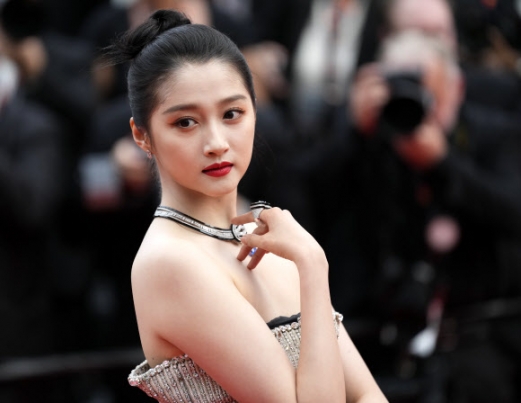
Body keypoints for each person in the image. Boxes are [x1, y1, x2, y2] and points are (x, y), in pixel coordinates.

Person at [102, 9, 388, 402]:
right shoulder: (170, 262)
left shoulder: (275, 243)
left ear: (255, 111)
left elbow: (367, 396)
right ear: (142, 135)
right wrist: (313, 264)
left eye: (232, 113)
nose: (216, 141)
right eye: (185, 122)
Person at [337, 30, 521, 401]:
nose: (418, 110)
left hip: (483, 338)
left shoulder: (497, 135)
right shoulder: (374, 141)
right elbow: (307, 192)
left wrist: (441, 164)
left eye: (428, 93)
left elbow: (512, 210)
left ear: (457, 89)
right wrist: (355, 134)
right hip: (386, 334)